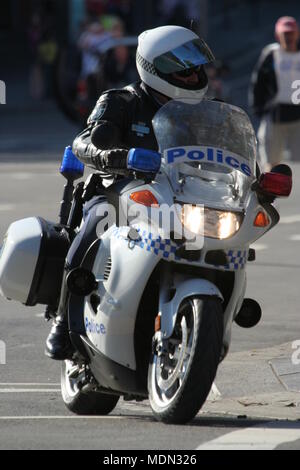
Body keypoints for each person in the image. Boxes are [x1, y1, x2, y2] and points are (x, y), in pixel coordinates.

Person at [45, 25, 215, 360]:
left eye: (196, 67)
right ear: (155, 67)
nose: (195, 75)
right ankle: (64, 321)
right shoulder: (121, 100)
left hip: (178, 198)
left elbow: (227, 152)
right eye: (185, 68)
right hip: (119, 192)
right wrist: (115, 156)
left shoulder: (203, 113)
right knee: (91, 230)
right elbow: (83, 141)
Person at [249, 16, 300, 171]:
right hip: (276, 112)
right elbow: (258, 81)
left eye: (291, 33)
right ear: (278, 36)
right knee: (270, 159)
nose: (289, 38)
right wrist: (258, 107)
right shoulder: (271, 54)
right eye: (285, 34)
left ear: (297, 34)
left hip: (298, 114)